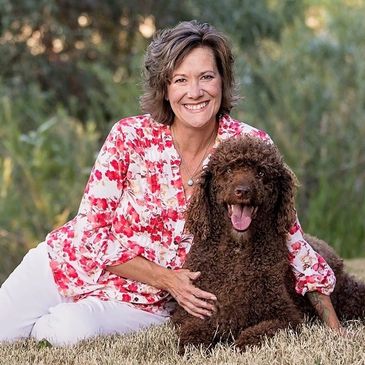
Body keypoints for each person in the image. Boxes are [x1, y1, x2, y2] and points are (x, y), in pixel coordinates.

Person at [0, 20, 343, 346]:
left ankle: (51, 324)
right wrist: (166, 277)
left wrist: (331, 321)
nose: (194, 92)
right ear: (164, 88)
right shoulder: (129, 136)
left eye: (206, 77)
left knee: (64, 334)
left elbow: (289, 235)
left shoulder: (248, 144)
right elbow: (89, 233)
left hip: (141, 303)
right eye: (180, 80)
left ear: (223, 83)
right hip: (65, 265)